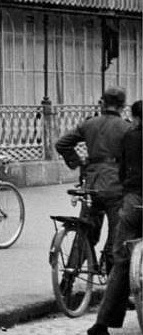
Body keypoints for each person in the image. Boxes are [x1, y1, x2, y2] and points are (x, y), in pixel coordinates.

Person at [56, 86, 131, 273]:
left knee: (86, 232)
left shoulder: (89, 124)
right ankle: (111, 279)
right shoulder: (127, 128)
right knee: (117, 235)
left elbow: (62, 143)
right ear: (122, 106)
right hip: (116, 186)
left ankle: (69, 275)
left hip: (91, 185)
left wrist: (79, 163)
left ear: (102, 103)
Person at [88, 99, 142, 335]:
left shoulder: (129, 137)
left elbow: (121, 169)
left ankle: (102, 323)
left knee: (121, 260)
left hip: (132, 201)